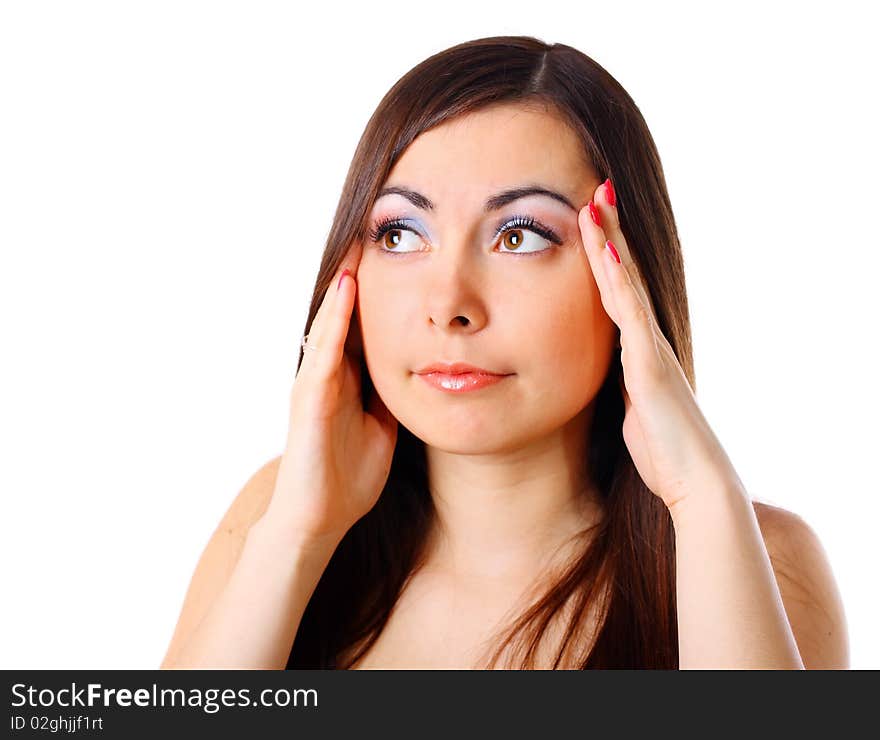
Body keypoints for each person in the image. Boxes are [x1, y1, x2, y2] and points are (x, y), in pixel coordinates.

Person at [160, 35, 849, 670]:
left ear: (626, 275)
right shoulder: (274, 517)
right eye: (401, 234)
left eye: (519, 236)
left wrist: (703, 498)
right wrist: (297, 537)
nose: (449, 302)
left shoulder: (758, 556)